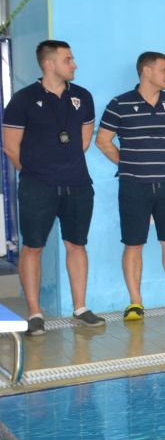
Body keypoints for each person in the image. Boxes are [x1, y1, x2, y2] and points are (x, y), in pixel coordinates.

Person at [2, 40, 101, 334]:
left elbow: (84, 140)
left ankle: (80, 307)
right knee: (33, 247)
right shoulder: (23, 100)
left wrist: (64, 166)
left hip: (77, 184)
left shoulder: (82, 96)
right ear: (49, 64)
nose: (74, 65)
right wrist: (36, 173)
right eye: (68, 59)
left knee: (77, 244)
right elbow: (10, 147)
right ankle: (35, 313)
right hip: (38, 186)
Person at [97, 51, 165, 319]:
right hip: (133, 186)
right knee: (133, 243)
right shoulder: (119, 104)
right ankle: (135, 303)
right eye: (164, 69)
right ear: (147, 71)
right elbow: (102, 140)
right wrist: (128, 163)